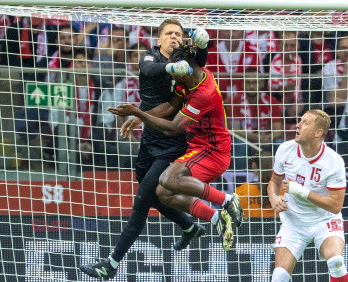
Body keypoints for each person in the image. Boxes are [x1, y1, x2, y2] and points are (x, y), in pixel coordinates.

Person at [79, 18, 211, 279]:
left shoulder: (186, 65)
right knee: (153, 195)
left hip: (173, 143)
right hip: (149, 141)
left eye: (179, 34)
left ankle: (111, 265)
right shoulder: (149, 58)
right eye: (169, 33)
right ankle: (188, 227)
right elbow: (151, 72)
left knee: (141, 201)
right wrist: (171, 67)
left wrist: (204, 46)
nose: (175, 37)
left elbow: (173, 106)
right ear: (159, 39)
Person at [107, 44, 244, 252]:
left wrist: (138, 112)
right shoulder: (189, 79)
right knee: (163, 193)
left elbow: (172, 128)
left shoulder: (204, 93)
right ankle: (216, 217)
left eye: (174, 71)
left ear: (186, 69)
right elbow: (171, 107)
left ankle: (227, 200)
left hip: (213, 151)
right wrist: (138, 118)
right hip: (197, 148)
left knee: (167, 179)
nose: (172, 76)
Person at [268, 109, 348, 282]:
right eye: (300, 121)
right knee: (278, 277)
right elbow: (274, 181)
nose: (297, 125)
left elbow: (335, 206)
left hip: (324, 220)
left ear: (318, 132)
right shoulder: (285, 149)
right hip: (293, 222)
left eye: (305, 123)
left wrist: (302, 191)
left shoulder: (333, 162)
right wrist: (273, 198)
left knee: (336, 262)